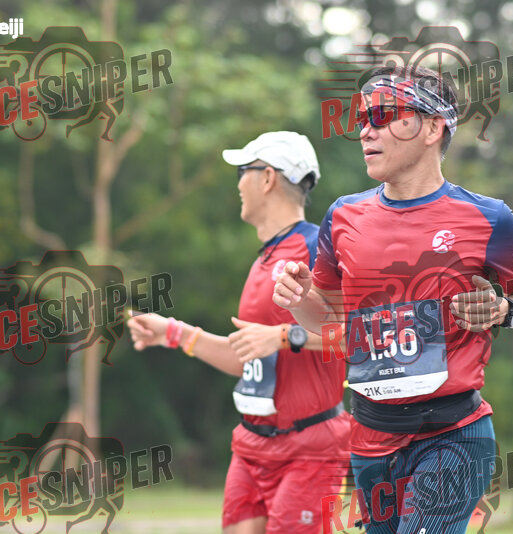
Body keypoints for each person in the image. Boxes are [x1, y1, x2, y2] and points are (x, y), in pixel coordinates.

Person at [273, 67, 513, 533]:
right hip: (370, 438)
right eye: (362, 119)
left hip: (453, 435)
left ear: (433, 127)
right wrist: (299, 299)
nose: (366, 130)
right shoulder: (343, 216)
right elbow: (325, 317)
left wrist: (505, 310)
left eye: (382, 116)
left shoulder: (489, 218)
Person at [127, 131, 350, 534]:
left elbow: (358, 337)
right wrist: (173, 332)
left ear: (267, 178)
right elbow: (246, 357)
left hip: (310, 449)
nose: (238, 185)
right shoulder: (263, 260)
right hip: (250, 445)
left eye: (242, 172)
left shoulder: (317, 248)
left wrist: (284, 336)